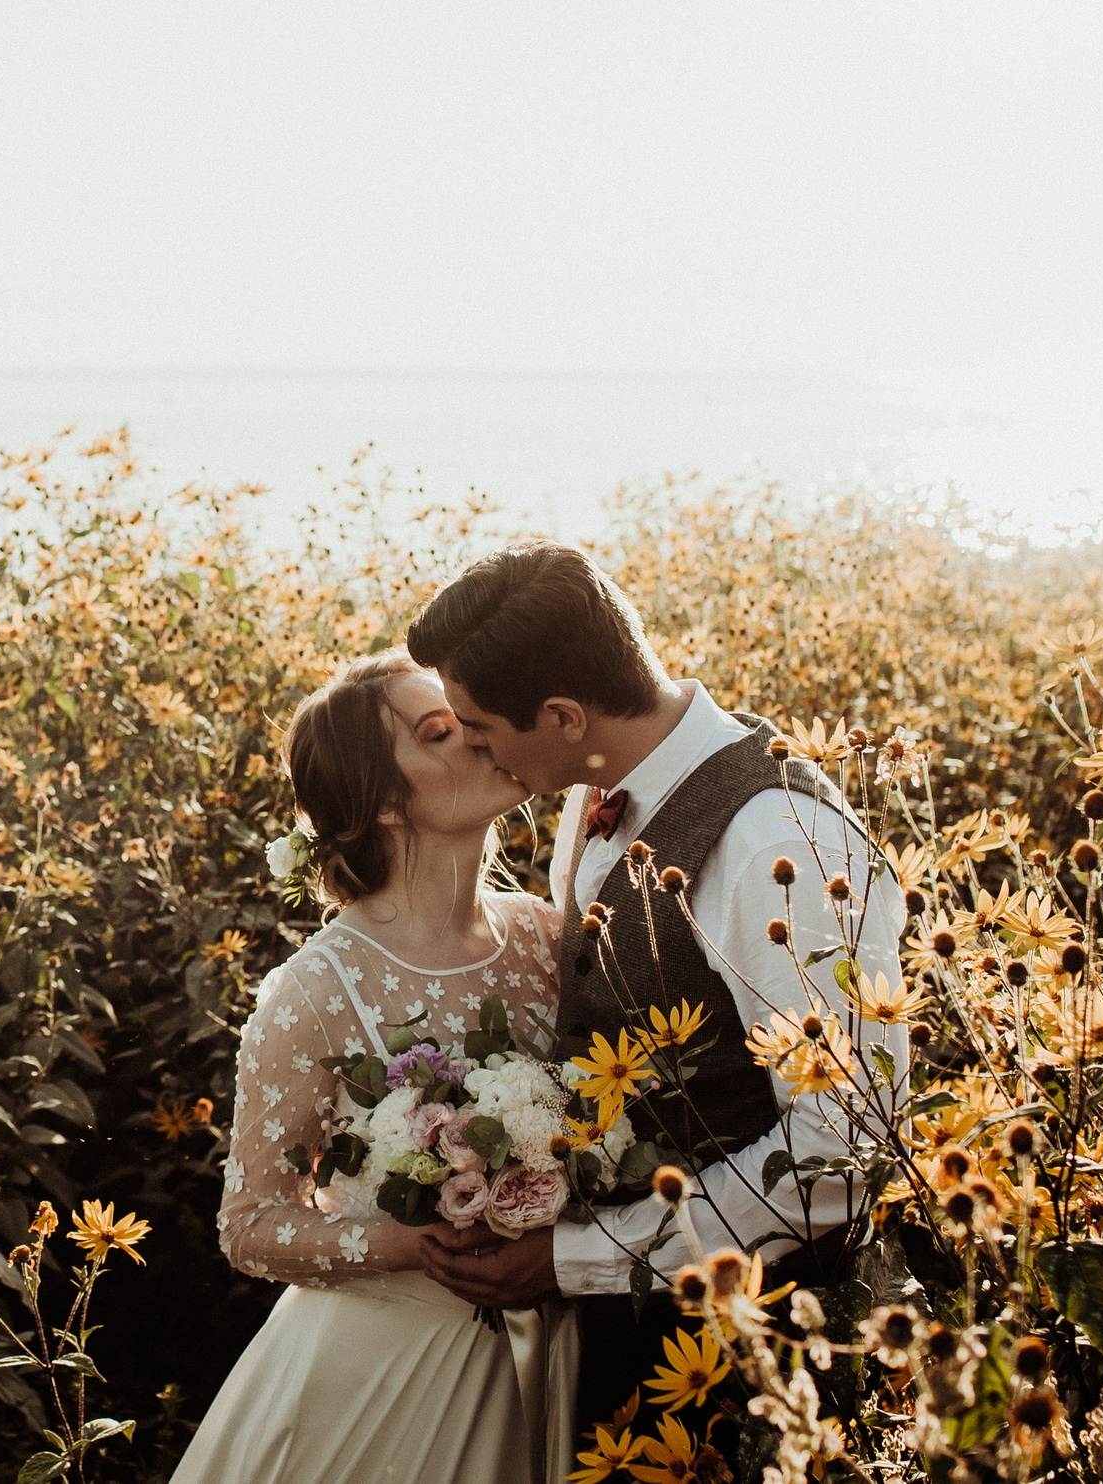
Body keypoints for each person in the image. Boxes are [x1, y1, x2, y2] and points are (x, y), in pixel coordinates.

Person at [404, 542, 907, 1462]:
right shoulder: (594, 779)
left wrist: (576, 1259)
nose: (471, 745)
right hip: (632, 1323)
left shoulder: (774, 846)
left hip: (759, 1353)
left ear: (561, 714)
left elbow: (839, 1153)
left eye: (478, 727)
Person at [172, 651, 565, 1484]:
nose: (477, 732)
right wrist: (411, 1239)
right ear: (385, 799)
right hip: (378, 1382)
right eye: (438, 730)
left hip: (550, 1357)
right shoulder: (316, 990)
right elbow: (248, 1223)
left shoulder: (546, 937)